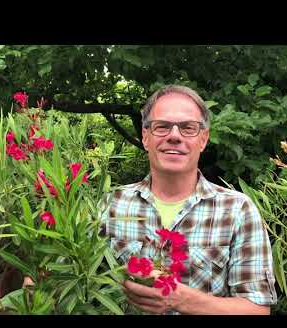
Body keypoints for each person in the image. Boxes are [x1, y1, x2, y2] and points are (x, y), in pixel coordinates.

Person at [99, 85, 277, 315]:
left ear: (203, 139)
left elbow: (257, 310)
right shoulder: (110, 204)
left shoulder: (237, 210)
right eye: (162, 127)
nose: (174, 136)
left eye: (188, 128)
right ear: (145, 137)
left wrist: (181, 300)